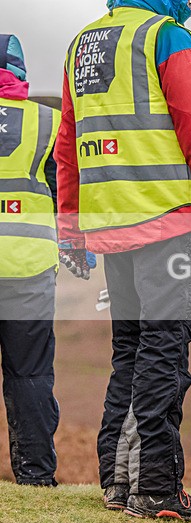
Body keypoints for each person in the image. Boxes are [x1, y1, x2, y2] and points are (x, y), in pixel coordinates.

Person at [55, 0, 191, 522]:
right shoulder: (166, 37)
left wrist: (71, 230)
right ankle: (157, 489)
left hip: (111, 228)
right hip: (167, 221)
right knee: (164, 356)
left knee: (131, 353)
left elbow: (67, 147)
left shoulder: (83, 44)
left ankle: (119, 483)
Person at [0, 34, 61, 488]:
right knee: (31, 374)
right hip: (29, 267)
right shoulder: (48, 123)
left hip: (30, 267)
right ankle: (36, 477)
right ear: (21, 74)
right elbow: (65, 195)